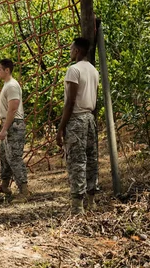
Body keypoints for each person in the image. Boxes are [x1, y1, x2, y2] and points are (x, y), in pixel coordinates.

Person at [56, 37, 100, 215]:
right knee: (91, 159)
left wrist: (61, 127)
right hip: (90, 118)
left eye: (71, 48)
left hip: (77, 119)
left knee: (77, 161)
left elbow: (70, 101)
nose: (70, 51)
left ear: (77, 51)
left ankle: (77, 206)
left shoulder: (73, 70)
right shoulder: (93, 70)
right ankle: (92, 201)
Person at [0, 58, 30, 201]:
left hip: (14, 125)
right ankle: (5, 186)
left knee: (14, 158)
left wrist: (5, 129)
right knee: (4, 157)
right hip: (9, 124)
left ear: (7, 70)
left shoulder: (11, 86)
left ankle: (24, 190)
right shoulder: (7, 85)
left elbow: (13, 108)